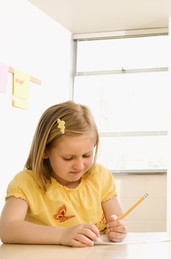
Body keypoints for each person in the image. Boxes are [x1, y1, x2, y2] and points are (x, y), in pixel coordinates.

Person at [0, 101, 127, 247]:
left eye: (86, 155)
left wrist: (118, 230)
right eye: (68, 158)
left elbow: (117, 219)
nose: (79, 165)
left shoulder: (100, 177)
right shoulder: (26, 182)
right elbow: (6, 229)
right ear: (45, 151)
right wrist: (62, 235)